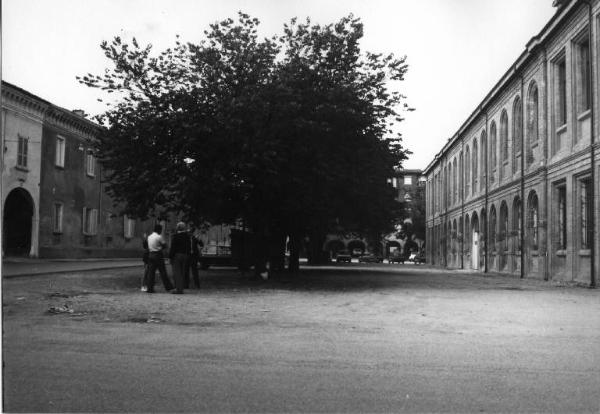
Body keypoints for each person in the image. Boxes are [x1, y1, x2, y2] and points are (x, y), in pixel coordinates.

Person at [146, 224, 174, 293]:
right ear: (159, 230)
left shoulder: (149, 237)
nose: (161, 231)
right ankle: (169, 287)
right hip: (158, 255)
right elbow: (165, 245)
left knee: (151, 273)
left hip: (151, 254)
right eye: (161, 230)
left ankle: (149, 288)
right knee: (163, 272)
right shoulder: (159, 237)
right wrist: (161, 247)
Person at [169, 222, 191, 294]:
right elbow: (189, 247)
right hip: (185, 255)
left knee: (177, 273)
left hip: (177, 255)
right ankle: (182, 287)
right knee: (182, 272)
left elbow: (173, 248)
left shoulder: (175, 236)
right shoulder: (187, 236)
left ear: (177, 228)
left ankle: (179, 289)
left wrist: (170, 257)